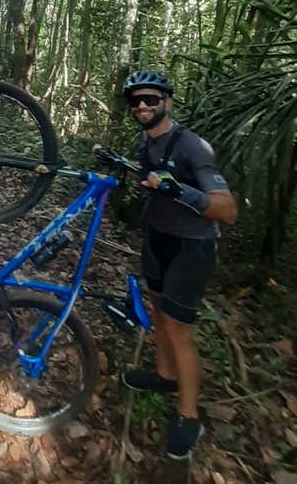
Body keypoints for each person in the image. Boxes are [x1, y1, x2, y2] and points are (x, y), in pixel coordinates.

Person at [119, 71, 238, 460]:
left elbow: (227, 210)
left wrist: (176, 188)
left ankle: (190, 416)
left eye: (151, 99)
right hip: (158, 238)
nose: (142, 106)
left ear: (168, 102)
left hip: (192, 247)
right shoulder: (145, 141)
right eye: (135, 101)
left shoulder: (193, 147)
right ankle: (164, 375)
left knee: (178, 328)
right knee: (157, 312)